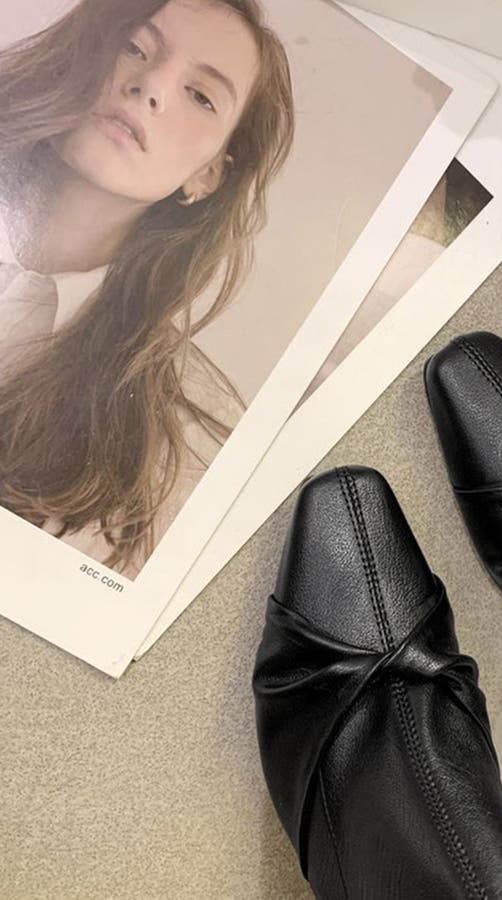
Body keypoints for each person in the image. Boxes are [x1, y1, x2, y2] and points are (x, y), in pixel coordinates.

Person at [0, 0, 295, 577]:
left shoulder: (183, 438)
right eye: (134, 46)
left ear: (208, 173)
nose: (151, 86)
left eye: (201, 96)